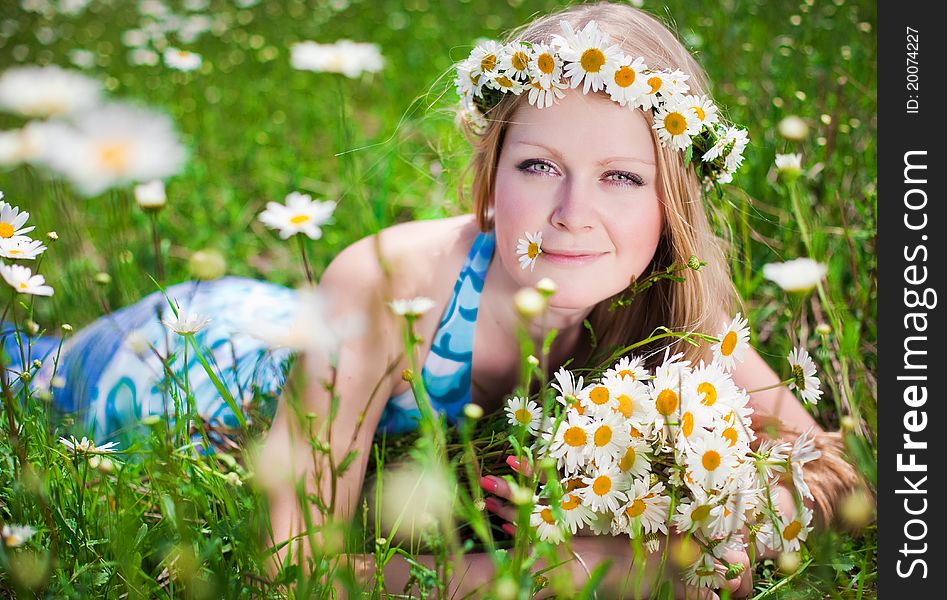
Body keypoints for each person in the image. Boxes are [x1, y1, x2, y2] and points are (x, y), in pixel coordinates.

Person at [5, 2, 859, 597]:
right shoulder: (388, 282)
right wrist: (547, 573)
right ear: (489, 174)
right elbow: (290, 564)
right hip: (175, 366)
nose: (571, 214)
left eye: (622, 178)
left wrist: (736, 525)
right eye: (538, 166)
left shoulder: (674, 301)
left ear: (673, 199)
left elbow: (824, 465)